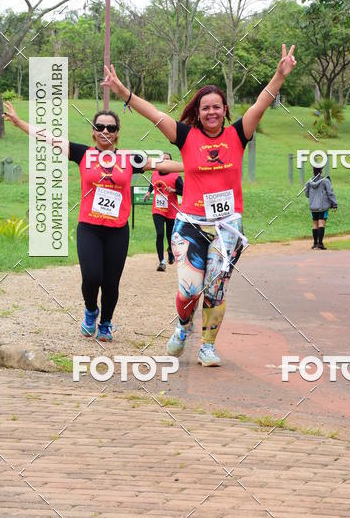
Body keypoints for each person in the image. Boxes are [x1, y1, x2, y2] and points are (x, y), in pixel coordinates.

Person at [101, 44, 297, 366]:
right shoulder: (186, 136)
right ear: (198, 111)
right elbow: (153, 114)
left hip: (228, 226)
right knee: (190, 289)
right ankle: (182, 326)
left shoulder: (238, 134)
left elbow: (261, 103)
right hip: (191, 223)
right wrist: (123, 91)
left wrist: (279, 75)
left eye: (217, 107)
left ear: (225, 109)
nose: (211, 112)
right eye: (205, 108)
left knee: (216, 289)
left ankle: (207, 346)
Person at [3, 101, 182, 342]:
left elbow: (161, 164)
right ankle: (90, 311)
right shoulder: (83, 154)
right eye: (100, 127)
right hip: (89, 228)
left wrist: (195, 167)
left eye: (111, 128)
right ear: (93, 131)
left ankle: (105, 323)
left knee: (111, 282)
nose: (105, 131)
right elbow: (49, 138)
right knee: (91, 277)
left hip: (117, 231)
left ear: (117, 133)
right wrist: (19, 123)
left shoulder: (128, 159)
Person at [144, 154, 184, 271]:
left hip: (171, 210)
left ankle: (170, 251)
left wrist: (174, 190)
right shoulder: (154, 173)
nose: (165, 161)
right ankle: (161, 262)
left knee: (170, 236)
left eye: (167, 159)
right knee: (160, 233)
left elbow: (185, 191)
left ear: (171, 162)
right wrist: (148, 192)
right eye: (163, 159)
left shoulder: (176, 176)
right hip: (158, 209)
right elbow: (152, 184)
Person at [304, 166, 337, 249]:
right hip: (322, 206)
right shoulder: (325, 181)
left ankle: (315, 243)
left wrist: (313, 197)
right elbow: (330, 193)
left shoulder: (309, 182)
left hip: (313, 207)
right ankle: (320, 244)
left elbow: (306, 194)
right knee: (321, 224)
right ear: (321, 172)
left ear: (313, 172)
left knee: (315, 224)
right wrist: (334, 204)